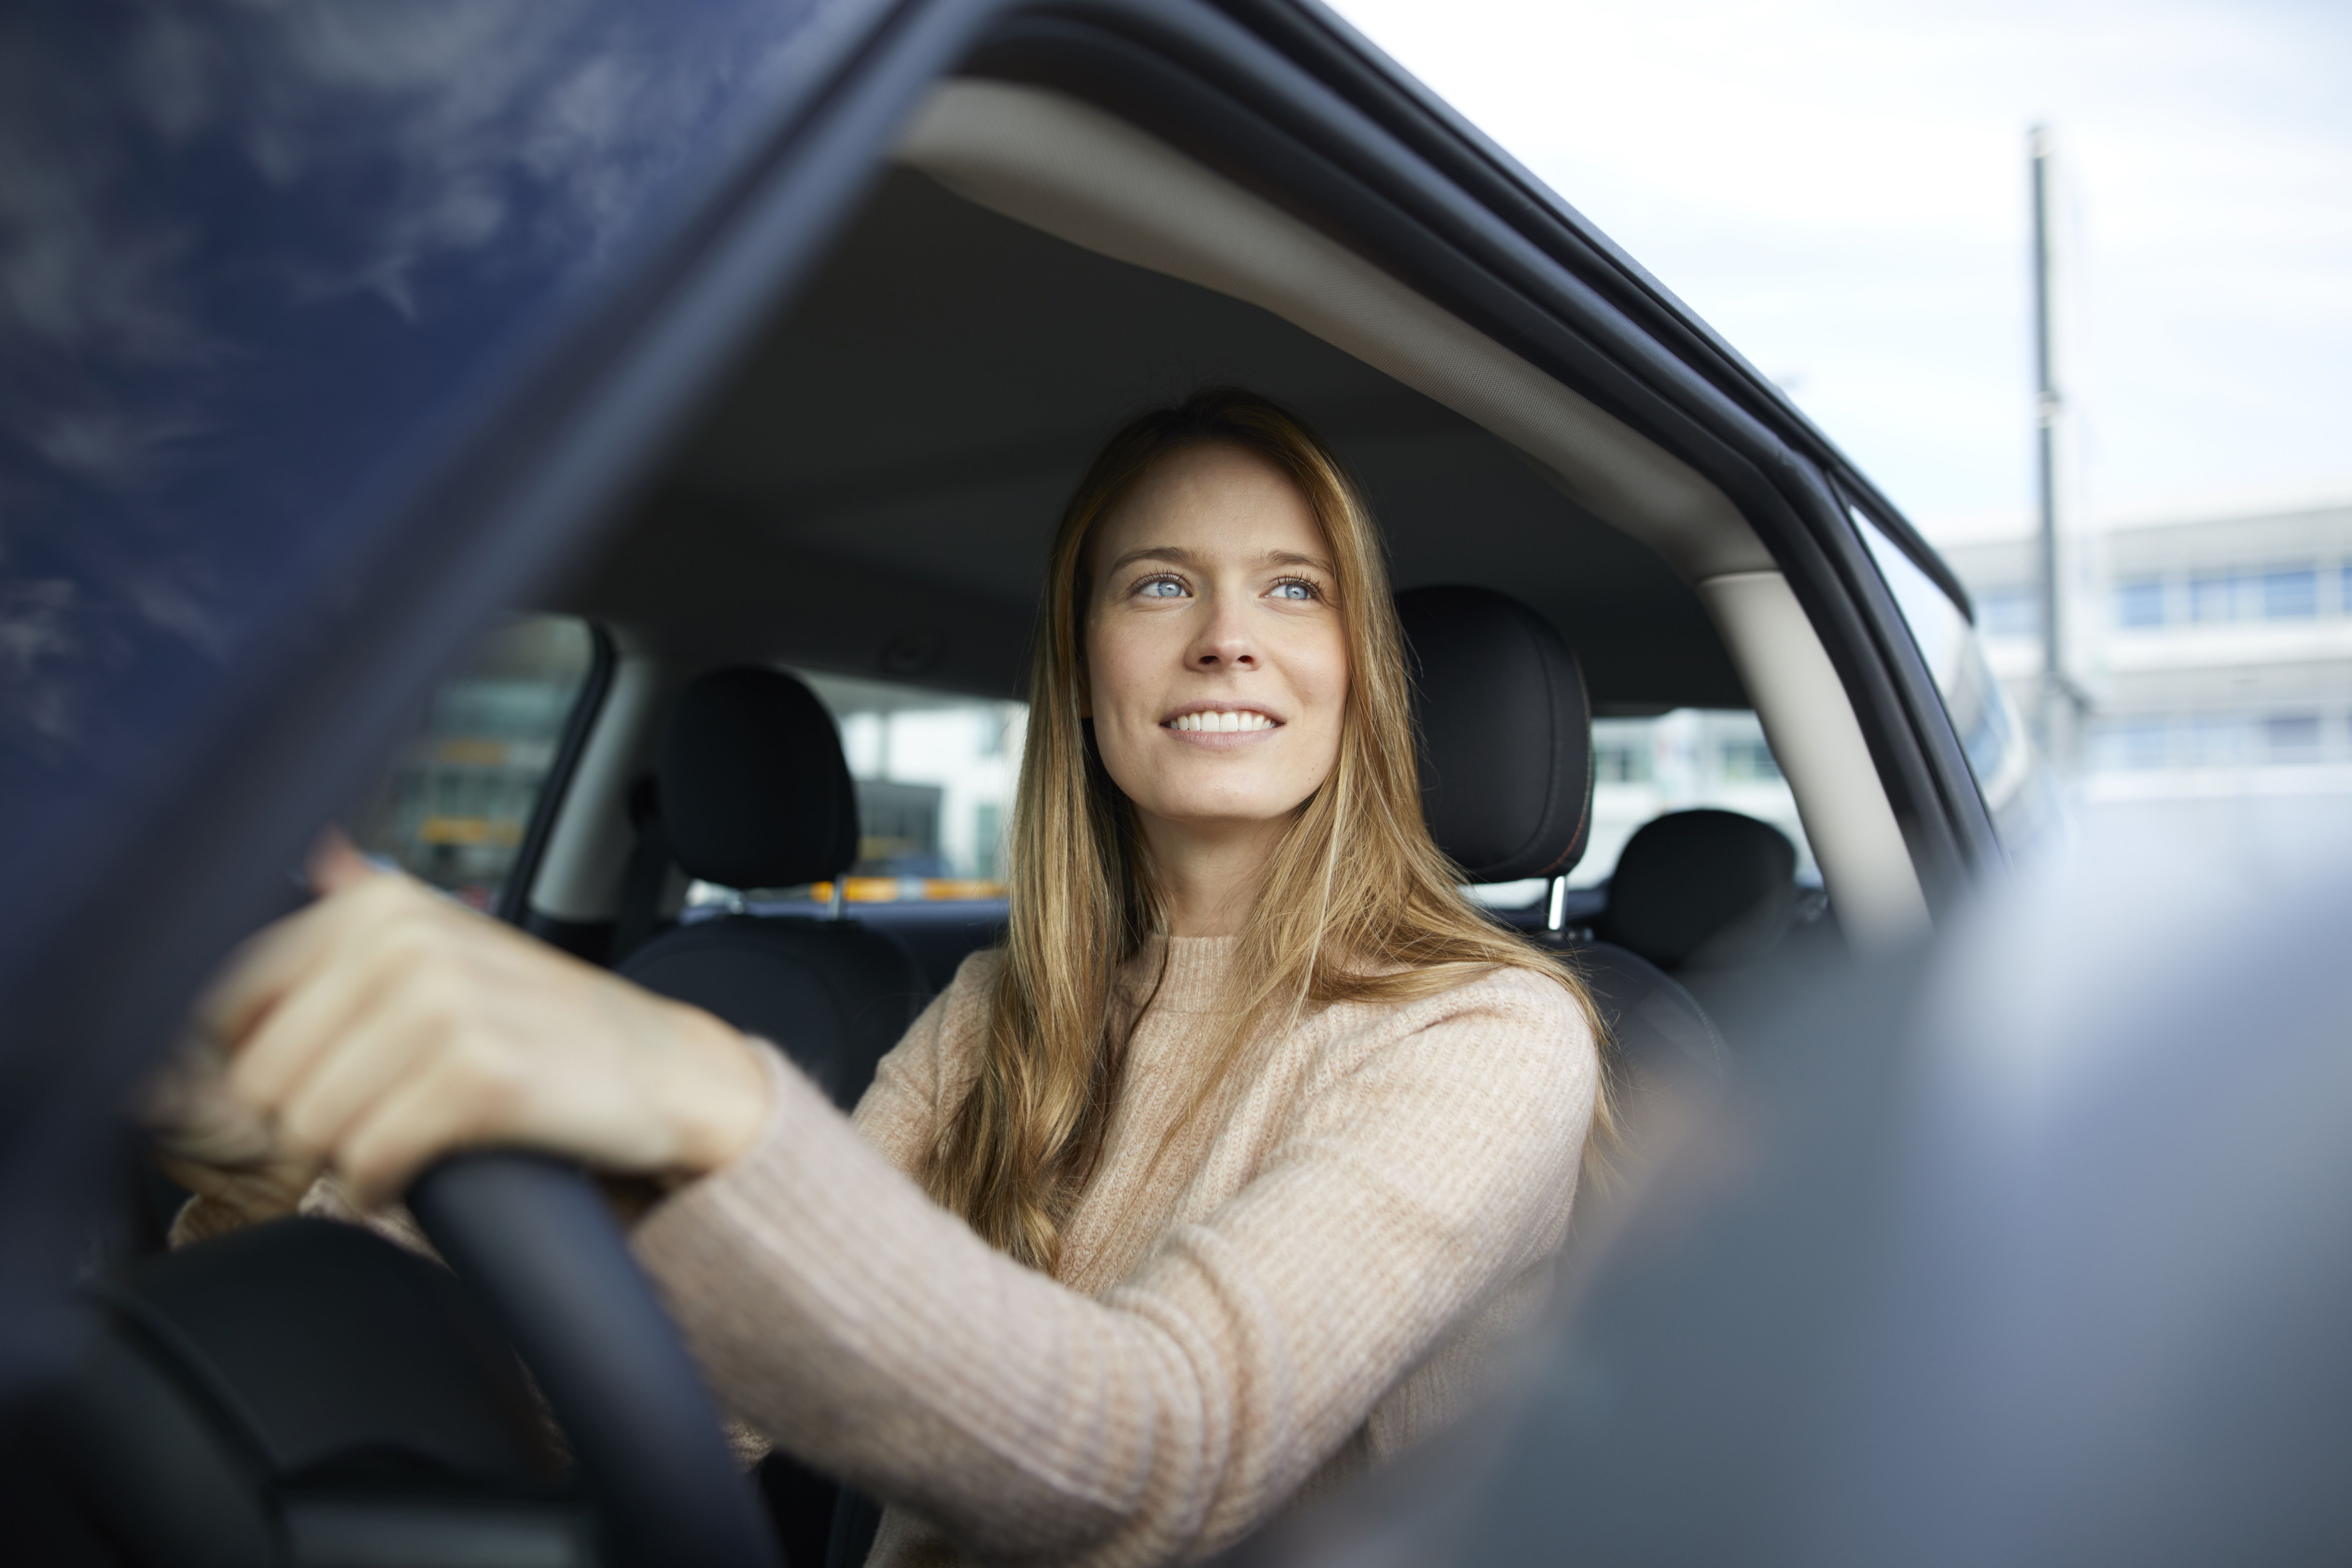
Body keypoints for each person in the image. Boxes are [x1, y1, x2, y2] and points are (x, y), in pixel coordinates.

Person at [156, 388, 1605, 1567]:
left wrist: (692, 1091)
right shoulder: (998, 1011)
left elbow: (1166, 1457)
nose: (1227, 634)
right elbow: (714, 1387)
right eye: (1160, 583)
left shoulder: (1491, 1038)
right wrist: (325, 1243)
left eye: (1293, 588)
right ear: (1086, 664)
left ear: (1357, 667)